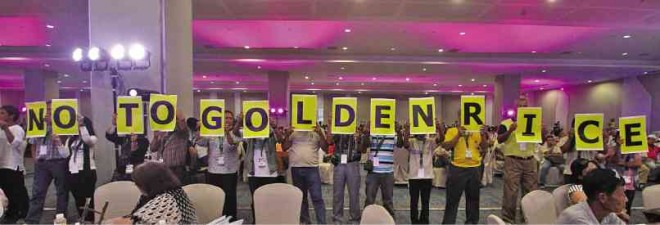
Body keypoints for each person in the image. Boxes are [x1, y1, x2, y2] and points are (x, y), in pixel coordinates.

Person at [105, 162, 197, 224]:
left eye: (138, 183)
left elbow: (140, 222)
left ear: (150, 183)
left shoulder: (166, 200)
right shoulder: (173, 191)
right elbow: (134, 216)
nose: (136, 186)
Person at [498, 96, 542, 223]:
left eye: (525, 106)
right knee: (510, 192)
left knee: (530, 192)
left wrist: (542, 130)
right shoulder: (506, 123)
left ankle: (527, 219)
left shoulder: (533, 121)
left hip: (530, 160)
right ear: (515, 109)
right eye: (520, 107)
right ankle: (508, 220)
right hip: (513, 160)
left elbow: (541, 140)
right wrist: (510, 130)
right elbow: (499, 139)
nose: (522, 109)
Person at [25, 101, 70, 224]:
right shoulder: (38, 124)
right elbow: (33, 144)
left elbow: (67, 141)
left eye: (51, 110)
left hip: (59, 161)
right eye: (47, 110)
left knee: (62, 192)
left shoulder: (64, 124)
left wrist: (53, 124)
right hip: (42, 162)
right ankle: (32, 220)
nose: (49, 112)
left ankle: (60, 219)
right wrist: (35, 159)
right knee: (37, 192)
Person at [197, 110, 240, 221]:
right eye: (225, 118)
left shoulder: (236, 132)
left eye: (230, 118)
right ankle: (215, 220)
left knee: (229, 200)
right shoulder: (212, 132)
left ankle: (230, 221)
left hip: (229, 172)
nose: (228, 120)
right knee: (214, 199)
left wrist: (226, 132)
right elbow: (199, 142)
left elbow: (232, 144)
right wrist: (201, 128)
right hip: (213, 171)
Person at [283, 123, 329, 224]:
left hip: (312, 168)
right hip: (296, 168)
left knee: (317, 198)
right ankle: (305, 222)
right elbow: (284, 147)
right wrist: (287, 135)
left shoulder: (317, 129)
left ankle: (322, 223)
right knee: (301, 198)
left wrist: (320, 133)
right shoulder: (293, 128)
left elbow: (325, 148)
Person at [441, 125, 488, 224]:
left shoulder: (477, 130)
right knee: (452, 201)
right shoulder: (452, 130)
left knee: (473, 201)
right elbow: (446, 146)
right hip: (457, 168)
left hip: (475, 168)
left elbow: (484, 149)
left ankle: (471, 222)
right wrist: (458, 135)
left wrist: (483, 135)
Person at [242, 117, 283, 223]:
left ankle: (270, 220)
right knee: (255, 199)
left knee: (270, 199)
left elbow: (280, 139)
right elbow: (236, 136)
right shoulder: (249, 132)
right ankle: (256, 221)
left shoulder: (270, 131)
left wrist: (275, 127)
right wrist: (240, 122)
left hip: (270, 171)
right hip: (253, 171)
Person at [327, 121, 369, 224]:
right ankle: (337, 218)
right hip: (339, 164)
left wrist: (359, 140)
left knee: (354, 193)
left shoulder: (357, 132)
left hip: (353, 164)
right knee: (337, 193)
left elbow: (362, 150)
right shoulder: (337, 130)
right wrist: (330, 124)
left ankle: (354, 218)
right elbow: (329, 141)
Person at [400, 123, 442, 224]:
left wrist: (439, 128)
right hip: (414, 176)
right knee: (414, 201)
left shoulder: (430, 142)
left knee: (425, 201)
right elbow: (405, 144)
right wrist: (407, 130)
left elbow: (440, 140)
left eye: (423, 131)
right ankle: (414, 221)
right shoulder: (411, 141)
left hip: (427, 176)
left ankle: (424, 221)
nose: (421, 133)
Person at [556, 169, 627, 225]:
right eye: (621, 194)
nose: (626, 199)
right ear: (602, 197)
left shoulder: (607, 215)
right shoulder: (576, 218)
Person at [64, 116, 98, 222]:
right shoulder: (71, 139)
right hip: (73, 171)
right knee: (78, 198)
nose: (77, 126)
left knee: (88, 198)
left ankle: (90, 219)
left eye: (79, 124)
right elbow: (65, 154)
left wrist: (82, 126)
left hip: (87, 171)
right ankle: (82, 218)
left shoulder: (92, 138)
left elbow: (87, 140)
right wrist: (58, 144)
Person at [0, 105, 28, 223]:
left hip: (13, 165)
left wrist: (6, 129)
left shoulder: (17, 129)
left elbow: (15, 143)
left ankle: (20, 213)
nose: (0, 115)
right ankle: (10, 212)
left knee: (16, 191)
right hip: (2, 164)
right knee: (5, 191)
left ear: (11, 116)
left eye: (2, 113)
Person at [364, 126, 397, 218]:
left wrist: (399, 130)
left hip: (388, 171)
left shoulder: (392, 133)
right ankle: (367, 219)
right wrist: (367, 132)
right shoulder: (373, 131)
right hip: (373, 172)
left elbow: (400, 144)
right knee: (370, 199)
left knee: (388, 200)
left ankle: (389, 220)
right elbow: (365, 145)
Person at [106, 113, 149, 181]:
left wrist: (134, 145)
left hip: (135, 173)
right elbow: (110, 136)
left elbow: (138, 156)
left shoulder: (143, 140)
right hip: (121, 171)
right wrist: (115, 125)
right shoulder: (125, 137)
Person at [150, 110, 190, 183]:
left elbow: (182, 119)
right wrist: (156, 138)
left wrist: (171, 107)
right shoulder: (163, 134)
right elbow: (152, 149)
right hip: (165, 168)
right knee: (167, 191)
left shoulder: (182, 134)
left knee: (178, 191)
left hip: (178, 170)